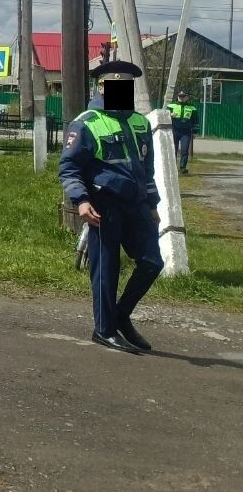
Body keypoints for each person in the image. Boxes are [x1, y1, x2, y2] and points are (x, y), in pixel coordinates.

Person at [58, 60, 164, 354]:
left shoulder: (140, 122)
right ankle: (103, 330)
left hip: (137, 206)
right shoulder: (86, 122)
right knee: (107, 268)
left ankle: (120, 315)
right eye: (114, 87)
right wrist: (81, 200)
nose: (120, 92)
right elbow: (69, 168)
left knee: (153, 262)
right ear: (101, 87)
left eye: (126, 87)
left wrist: (153, 204)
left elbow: (147, 169)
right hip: (103, 206)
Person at [168, 89, 198, 174]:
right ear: (177, 97)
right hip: (174, 130)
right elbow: (163, 116)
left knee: (184, 150)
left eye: (183, 96)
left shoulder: (192, 108)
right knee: (173, 149)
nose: (181, 98)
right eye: (179, 96)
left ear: (187, 97)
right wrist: (170, 115)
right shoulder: (171, 106)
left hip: (186, 132)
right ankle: (172, 168)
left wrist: (195, 132)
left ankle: (182, 168)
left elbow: (195, 121)